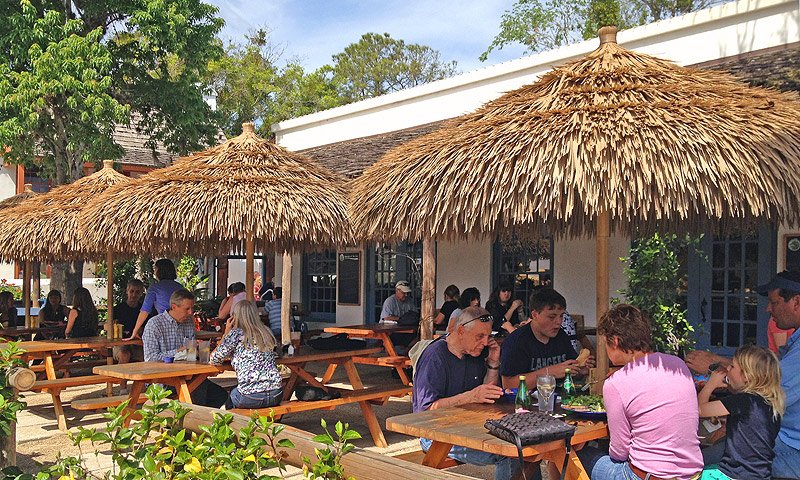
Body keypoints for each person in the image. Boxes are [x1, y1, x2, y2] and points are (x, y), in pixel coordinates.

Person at [685, 270, 800, 479]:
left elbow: (700, 409)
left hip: (791, 449)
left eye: (773, 302)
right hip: (778, 443)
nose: (767, 309)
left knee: (695, 462)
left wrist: (714, 367)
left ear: (796, 302)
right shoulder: (793, 342)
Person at [581, 304, 703, 480]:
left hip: (647, 476)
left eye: (605, 345)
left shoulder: (616, 383)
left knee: (571, 455)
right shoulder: (677, 364)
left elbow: (619, 452)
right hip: (691, 474)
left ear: (614, 341)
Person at [413, 306, 530, 479]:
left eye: (488, 336)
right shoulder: (435, 356)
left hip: (468, 426)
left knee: (529, 446)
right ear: (460, 330)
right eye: (479, 336)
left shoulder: (474, 352)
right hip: (436, 434)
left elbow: (487, 394)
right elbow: (425, 411)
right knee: (511, 453)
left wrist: (492, 362)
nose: (485, 342)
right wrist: (470, 396)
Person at [698, 345, 784, 480]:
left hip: (732, 475)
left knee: (687, 473)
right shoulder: (771, 406)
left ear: (747, 376)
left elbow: (700, 409)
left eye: (732, 366)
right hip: (760, 476)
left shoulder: (744, 401)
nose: (727, 369)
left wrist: (711, 384)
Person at [142, 288, 227, 408]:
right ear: (174, 307)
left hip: (187, 375)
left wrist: (199, 351)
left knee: (220, 395)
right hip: (162, 380)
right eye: (187, 309)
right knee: (198, 390)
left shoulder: (188, 323)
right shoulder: (154, 324)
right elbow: (150, 358)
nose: (190, 312)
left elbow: (190, 355)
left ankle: (197, 420)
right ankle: (191, 421)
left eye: (192, 308)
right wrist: (178, 351)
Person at [499, 288, 593, 389]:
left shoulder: (561, 336)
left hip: (562, 400)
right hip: (527, 402)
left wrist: (581, 370)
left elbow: (569, 370)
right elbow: (508, 385)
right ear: (535, 315)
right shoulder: (516, 341)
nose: (558, 322)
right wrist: (549, 373)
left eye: (561, 316)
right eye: (552, 317)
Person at [210, 300, 283, 409]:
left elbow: (214, 359)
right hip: (276, 393)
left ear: (235, 317)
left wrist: (226, 333)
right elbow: (277, 353)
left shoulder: (235, 334)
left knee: (230, 396)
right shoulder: (267, 331)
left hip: (251, 396)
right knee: (236, 391)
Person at [128, 259, 183, 339]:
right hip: (182, 325)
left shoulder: (155, 288)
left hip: (165, 327)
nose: (154, 272)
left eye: (155, 269)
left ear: (160, 271)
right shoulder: (181, 287)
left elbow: (144, 311)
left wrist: (135, 331)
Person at [112, 279, 146, 364]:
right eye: (132, 291)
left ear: (141, 293)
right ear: (127, 291)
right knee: (124, 354)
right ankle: (120, 377)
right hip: (120, 343)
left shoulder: (144, 311)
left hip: (138, 344)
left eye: (137, 292)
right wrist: (112, 325)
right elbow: (106, 326)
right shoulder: (117, 309)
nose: (134, 294)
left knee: (148, 356)